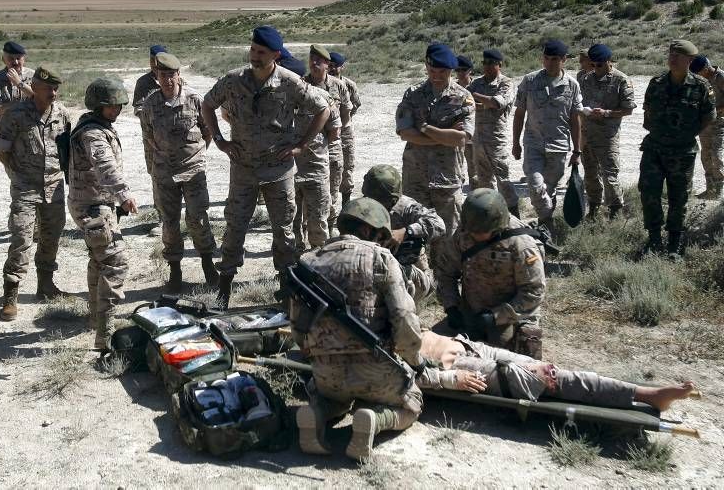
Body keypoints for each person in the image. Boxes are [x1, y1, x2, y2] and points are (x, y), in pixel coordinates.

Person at [201, 26, 330, 308]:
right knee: (234, 227)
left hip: (278, 171)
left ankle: (286, 290)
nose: (254, 56)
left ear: (275, 55)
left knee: (284, 230)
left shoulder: (289, 82)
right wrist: (221, 141)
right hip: (243, 170)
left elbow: (323, 109)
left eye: (261, 52)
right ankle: (224, 292)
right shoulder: (234, 80)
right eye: (253, 50)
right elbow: (207, 105)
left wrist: (301, 145)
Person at [291, 197, 425, 460]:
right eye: (380, 235)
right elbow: (404, 318)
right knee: (412, 403)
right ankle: (375, 420)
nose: (381, 241)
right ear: (366, 230)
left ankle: (317, 413)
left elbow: (298, 326)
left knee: (335, 399)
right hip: (377, 369)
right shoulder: (382, 259)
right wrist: (414, 360)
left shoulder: (308, 261)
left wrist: (314, 353)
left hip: (327, 373)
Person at [416, 330, 697, 413]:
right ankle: (649, 395)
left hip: (467, 345)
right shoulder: (373, 342)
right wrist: (450, 380)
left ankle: (646, 394)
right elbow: (402, 375)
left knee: (543, 367)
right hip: (457, 367)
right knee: (549, 379)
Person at [0, 67, 71, 321]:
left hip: (54, 186)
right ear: (34, 87)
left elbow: (67, 150)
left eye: (56, 88)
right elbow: (1, 149)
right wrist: (16, 174)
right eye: (48, 88)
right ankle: (10, 296)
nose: (53, 93)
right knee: (22, 238)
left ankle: (45, 286)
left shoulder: (61, 113)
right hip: (25, 187)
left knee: (51, 236)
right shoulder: (15, 114)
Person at [433, 189, 545, 359]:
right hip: (470, 312)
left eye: (479, 232)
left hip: (509, 316)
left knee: (499, 362)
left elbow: (533, 292)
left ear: (496, 226)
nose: (473, 235)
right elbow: (445, 272)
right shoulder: (465, 232)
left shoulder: (521, 245)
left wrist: (494, 317)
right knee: (433, 348)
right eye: (471, 230)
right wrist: (452, 307)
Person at [141, 52, 219, 291]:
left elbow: (208, 132)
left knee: (198, 218)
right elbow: (147, 138)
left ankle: (208, 263)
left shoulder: (194, 99)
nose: (167, 80)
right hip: (164, 173)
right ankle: (175, 270)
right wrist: (153, 169)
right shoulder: (150, 104)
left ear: (178, 75)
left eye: (171, 75)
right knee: (170, 222)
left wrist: (195, 154)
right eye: (162, 75)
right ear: (156, 76)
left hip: (193, 169)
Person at [68, 78, 136, 350]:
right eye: (111, 106)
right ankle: (106, 337)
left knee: (99, 261)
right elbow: (105, 165)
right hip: (93, 207)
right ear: (97, 106)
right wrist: (124, 194)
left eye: (119, 105)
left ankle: (96, 322)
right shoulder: (93, 134)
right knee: (116, 262)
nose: (116, 110)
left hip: (92, 203)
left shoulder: (93, 125)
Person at [640, 40, 716, 258]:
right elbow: (647, 113)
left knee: (679, 197)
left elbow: (708, 117)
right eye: (671, 54)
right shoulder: (656, 83)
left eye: (678, 55)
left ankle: (674, 244)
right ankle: (654, 240)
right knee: (649, 193)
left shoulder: (701, 87)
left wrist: (684, 135)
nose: (672, 58)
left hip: (682, 153)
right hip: (654, 149)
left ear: (690, 60)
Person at [396, 43, 475, 236]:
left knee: (449, 236)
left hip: (447, 179)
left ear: (451, 71)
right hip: (415, 178)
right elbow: (405, 133)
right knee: (413, 236)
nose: (437, 76)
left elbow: (461, 139)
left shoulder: (464, 97)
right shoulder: (413, 94)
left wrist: (424, 128)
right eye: (433, 71)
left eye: (443, 72)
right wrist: (444, 134)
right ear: (426, 66)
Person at [512, 39, 583, 229]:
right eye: (546, 58)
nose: (550, 62)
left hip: (559, 146)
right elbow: (519, 114)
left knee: (549, 189)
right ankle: (546, 221)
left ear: (564, 60)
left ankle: (545, 229)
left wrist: (577, 151)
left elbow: (575, 120)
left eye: (555, 59)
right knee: (535, 187)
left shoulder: (572, 85)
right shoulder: (530, 80)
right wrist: (515, 143)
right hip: (533, 143)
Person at [361, 164, 445, 302]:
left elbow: (439, 224)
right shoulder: (362, 206)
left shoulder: (406, 206)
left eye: (381, 200)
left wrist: (406, 231)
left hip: (408, 268)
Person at [578, 43, 636, 220]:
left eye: (599, 65)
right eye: (592, 65)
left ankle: (615, 211)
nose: (595, 69)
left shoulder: (621, 80)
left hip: (607, 136)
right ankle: (594, 209)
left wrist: (607, 113)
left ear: (609, 62)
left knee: (610, 175)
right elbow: (578, 103)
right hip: (587, 134)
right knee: (590, 174)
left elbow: (628, 109)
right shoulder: (586, 79)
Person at [292, 50, 341, 252]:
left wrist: (312, 148)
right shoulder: (284, 97)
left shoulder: (324, 97)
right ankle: (292, 260)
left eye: (318, 60)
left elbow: (335, 131)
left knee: (317, 219)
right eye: (311, 60)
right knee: (289, 219)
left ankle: (318, 262)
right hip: (289, 168)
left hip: (315, 167)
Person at [304, 45, 352, 232]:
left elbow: (346, 112)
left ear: (327, 64)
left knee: (331, 194)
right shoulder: (301, 84)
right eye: (312, 59)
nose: (314, 64)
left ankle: (329, 233)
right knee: (306, 194)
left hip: (332, 147)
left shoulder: (338, 86)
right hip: (308, 148)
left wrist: (335, 133)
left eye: (319, 61)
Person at [467, 49, 519, 216]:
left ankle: (514, 213)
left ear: (500, 64)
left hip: (496, 139)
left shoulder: (506, 83)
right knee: (484, 181)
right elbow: (463, 99)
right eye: (485, 63)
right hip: (478, 139)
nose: (487, 66)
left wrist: (474, 96)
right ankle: (491, 216)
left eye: (491, 63)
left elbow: (497, 102)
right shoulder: (477, 83)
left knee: (503, 180)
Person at [133, 44, 167, 237]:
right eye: (152, 60)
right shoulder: (143, 83)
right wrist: (151, 114)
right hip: (153, 140)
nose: (154, 64)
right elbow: (137, 108)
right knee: (157, 177)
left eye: (158, 60)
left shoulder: (177, 78)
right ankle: (163, 219)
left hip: (176, 141)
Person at [690, 55, 724, 200]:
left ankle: (719, 191)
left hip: (720, 123)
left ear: (706, 68)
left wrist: (716, 110)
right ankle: (710, 191)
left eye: (699, 72)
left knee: (716, 156)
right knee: (706, 156)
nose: (697, 75)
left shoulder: (721, 77)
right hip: (705, 124)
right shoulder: (700, 80)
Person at [328, 52, 361, 205]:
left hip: (345, 132)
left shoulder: (349, 85)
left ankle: (346, 207)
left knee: (347, 168)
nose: (332, 69)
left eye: (336, 66)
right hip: (325, 132)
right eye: (329, 65)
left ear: (342, 67)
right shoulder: (320, 82)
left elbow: (355, 105)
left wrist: (343, 120)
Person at [0, 41, 34, 119]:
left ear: (24, 59)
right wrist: (17, 105)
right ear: (3, 60)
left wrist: (19, 83)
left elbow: (40, 98)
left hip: (31, 124)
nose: (15, 62)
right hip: (7, 128)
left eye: (18, 58)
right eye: (11, 58)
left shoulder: (33, 75)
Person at [456, 55, 475, 187]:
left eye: (464, 70)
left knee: (475, 171)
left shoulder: (478, 86)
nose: (461, 73)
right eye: (458, 70)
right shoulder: (452, 88)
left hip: (474, 133)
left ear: (470, 71)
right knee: (457, 170)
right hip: (457, 133)